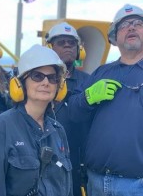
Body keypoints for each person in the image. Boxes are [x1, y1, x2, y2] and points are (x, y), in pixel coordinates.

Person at [69, 3, 143, 196]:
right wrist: (87, 97)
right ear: (115, 39)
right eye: (123, 26)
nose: (131, 27)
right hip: (97, 183)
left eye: (137, 24)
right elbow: (73, 112)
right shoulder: (101, 73)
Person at [0, 44, 72, 196]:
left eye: (52, 78)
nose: (46, 83)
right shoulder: (2, 128)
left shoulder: (57, 131)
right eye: (37, 76)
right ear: (20, 84)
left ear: (59, 86)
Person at [45, 22, 90, 196]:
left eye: (71, 43)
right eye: (61, 42)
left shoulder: (88, 80)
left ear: (79, 49)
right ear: (50, 47)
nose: (67, 46)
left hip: (77, 161)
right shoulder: (40, 79)